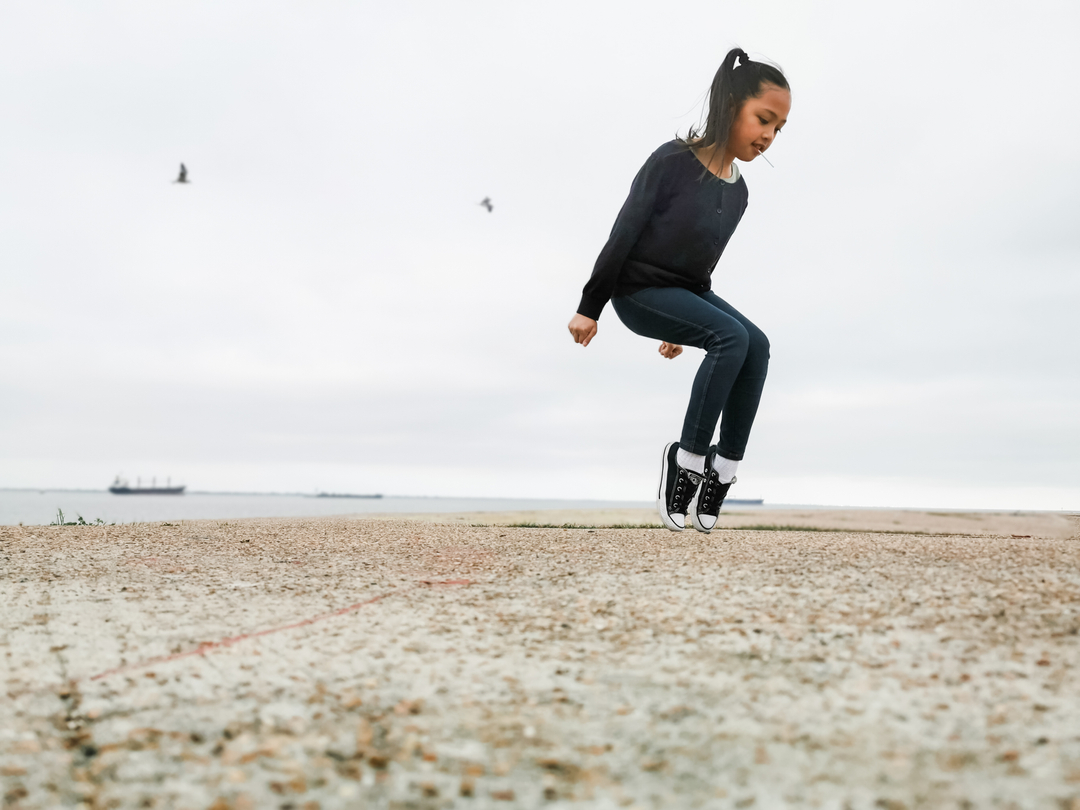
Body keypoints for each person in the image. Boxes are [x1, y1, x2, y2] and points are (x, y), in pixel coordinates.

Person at [567, 48, 791, 533]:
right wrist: (591, 306)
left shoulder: (740, 191)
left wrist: (688, 325)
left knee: (756, 345)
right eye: (763, 120)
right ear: (732, 107)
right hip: (635, 290)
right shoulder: (670, 160)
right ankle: (686, 462)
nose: (770, 137)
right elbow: (623, 233)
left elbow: (702, 264)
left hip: (684, 294)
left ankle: (722, 471)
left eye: (779, 129)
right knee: (731, 337)